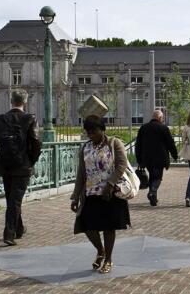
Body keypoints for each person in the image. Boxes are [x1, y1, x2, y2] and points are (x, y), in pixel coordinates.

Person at [0, 89, 42, 246]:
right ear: (25, 102)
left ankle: (18, 229)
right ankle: (9, 234)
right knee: (15, 201)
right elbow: (37, 144)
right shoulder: (29, 119)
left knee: (12, 199)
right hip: (22, 167)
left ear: (11, 101)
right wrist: (30, 161)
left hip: (5, 166)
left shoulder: (0, 120)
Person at [70, 115, 130, 274]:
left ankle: (108, 259)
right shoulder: (86, 147)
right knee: (88, 226)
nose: (91, 135)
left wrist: (110, 184)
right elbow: (81, 173)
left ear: (102, 129)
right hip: (90, 193)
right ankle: (100, 250)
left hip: (110, 193)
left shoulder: (114, 143)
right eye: (88, 133)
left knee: (109, 227)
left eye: (94, 132)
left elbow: (121, 164)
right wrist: (75, 196)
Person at [135, 109, 178, 206]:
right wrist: (175, 155)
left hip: (147, 159)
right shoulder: (164, 128)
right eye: (162, 118)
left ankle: (153, 199)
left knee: (152, 177)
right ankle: (152, 192)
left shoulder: (143, 128)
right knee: (158, 177)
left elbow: (138, 145)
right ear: (159, 117)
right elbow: (170, 143)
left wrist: (139, 159)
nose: (162, 119)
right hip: (160, 158)